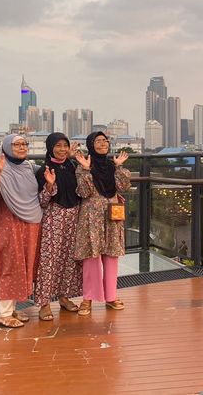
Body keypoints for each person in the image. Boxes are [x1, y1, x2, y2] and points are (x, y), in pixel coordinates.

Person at [0, 134, 43, 328]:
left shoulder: (28, 167)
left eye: (24, 144)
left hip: (30, 222)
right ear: (7, 148)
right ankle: (3, 314)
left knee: (24, 264)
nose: (21, 147)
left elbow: (48, 171)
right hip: (9, 222)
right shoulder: (3, 168)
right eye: (16, 144)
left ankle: (11, 309)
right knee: (10, 263)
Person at [73, 131, 131, 316]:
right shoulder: (83, 165)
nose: (102, 144)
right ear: (90, 145)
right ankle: (88, 298)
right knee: (91, 256)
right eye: (98, 141)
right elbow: (84, 192)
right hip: (91, 215)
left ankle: (111, 296)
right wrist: (86, 169)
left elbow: (123, 187)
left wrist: (120, 167)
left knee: (111, 254)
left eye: (105, 141)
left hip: (112, 213)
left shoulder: (111, 165)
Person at [35, 132, 83, 321]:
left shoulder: (72, 167)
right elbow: (42, 202)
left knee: (69, 260)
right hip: (53, 219)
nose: (62, 149)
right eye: (58, 146)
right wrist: (49, 186)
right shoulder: (44, 170)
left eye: (65, 145)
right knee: (49, 261)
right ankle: (44, 304)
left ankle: (64, 297)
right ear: (50, 147)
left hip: (74, 218)